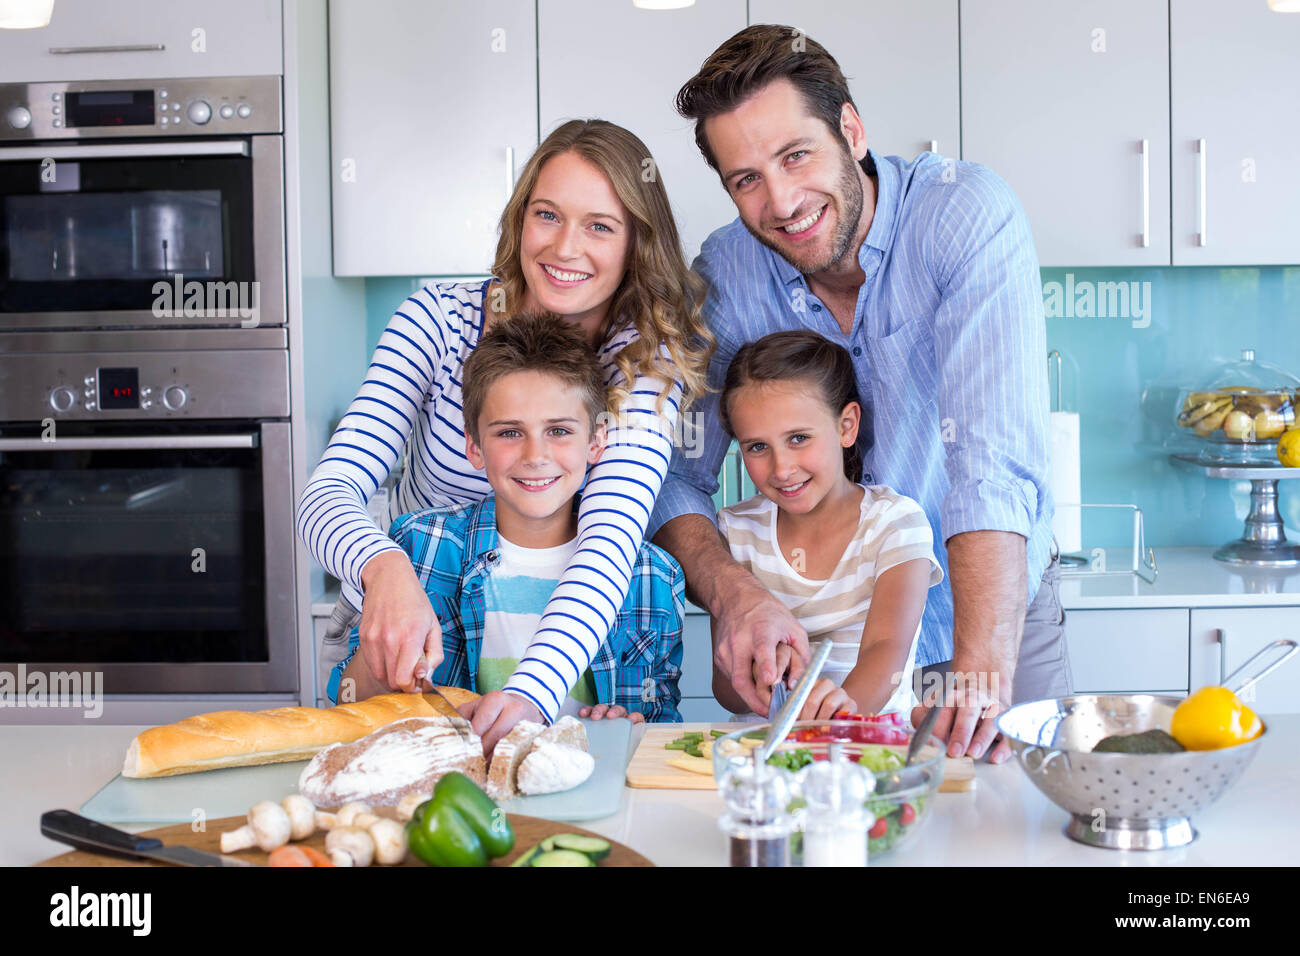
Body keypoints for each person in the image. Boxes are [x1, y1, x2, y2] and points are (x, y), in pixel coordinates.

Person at [649, 25, 1070, 763]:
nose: (780, 201)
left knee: (1013, 825)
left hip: (985, 614)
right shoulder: (728, 275)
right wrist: (731, 593)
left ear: (851, 128)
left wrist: (980, 669)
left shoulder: (962, 217)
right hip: (822, 664)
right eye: (746, 178)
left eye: (795, 155)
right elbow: (672, 477)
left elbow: (989, 466)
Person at [298, 120, 711, 752]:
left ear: (636, 245)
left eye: (599, 225)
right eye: (548, 215)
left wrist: (531, 696)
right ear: (520, 219)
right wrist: (382, 569)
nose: (565, 247)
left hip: (564, 654)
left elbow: (607, 542)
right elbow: (328, 490)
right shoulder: (435, 321)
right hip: (420, 621)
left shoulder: (647, 361)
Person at [329, 313, 684, 723]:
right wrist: (390, 666)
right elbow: (348, 700)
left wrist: (628, 729)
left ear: (597, 441)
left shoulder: (654, 578)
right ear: (474, 447)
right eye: (510, 433)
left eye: (559, 431)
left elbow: (661, 722)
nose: (535, 457)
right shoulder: (421, 547)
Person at [712, 331, 942, 721]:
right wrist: (763, 669)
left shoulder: (895, 524)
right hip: (761, 754)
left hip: (864, 746)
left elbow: (885, 651)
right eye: (757, 446)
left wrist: (836, 720)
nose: (782, 468)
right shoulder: (736, 532)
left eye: (799, 438)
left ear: (846, 426)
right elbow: (724, 690)